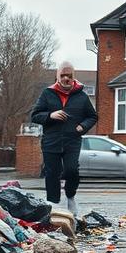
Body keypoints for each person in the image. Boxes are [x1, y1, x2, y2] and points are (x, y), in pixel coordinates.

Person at [30, 61, 97, 216]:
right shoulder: (47, 94)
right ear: (57, 76)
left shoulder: (81, 95)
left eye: (69, 76)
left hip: (72, 140)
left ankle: (70, 196)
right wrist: (50, 115)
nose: (66, 78)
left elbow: (92, 116)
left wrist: (82, 126)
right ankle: (53, 205)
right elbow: (34, 115)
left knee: (72, 170)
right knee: (52, 173)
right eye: (63, 75)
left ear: (74, 77)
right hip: (51, 141)